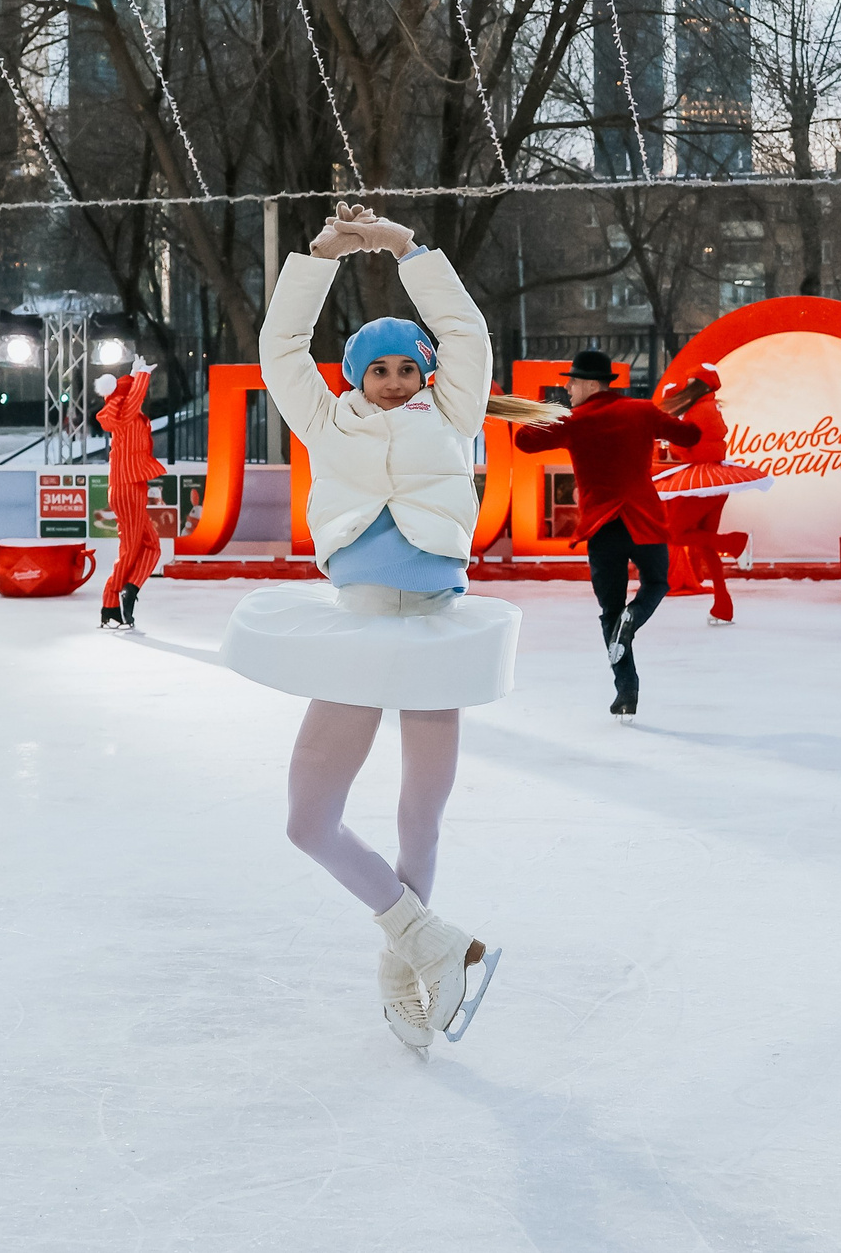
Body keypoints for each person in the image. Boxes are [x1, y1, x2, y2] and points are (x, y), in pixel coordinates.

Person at [219, 202, 554, 1048]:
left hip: (436, 631)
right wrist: (321, 256)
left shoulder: (454, 414)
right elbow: (279, 350)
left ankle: (409, 968)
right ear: (357, 377)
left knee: (420, 817)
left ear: (428, 374)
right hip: (361, 633)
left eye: (410, 368)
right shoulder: (327, 421)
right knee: (308, 821)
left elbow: (464, 328)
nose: (398, 381)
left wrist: (407, 247)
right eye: (382, 370)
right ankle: (430, 940)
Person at [511, 348, 701, 717]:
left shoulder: (574, 421)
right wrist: (694, 408)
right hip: (644, 520)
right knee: (657, 582)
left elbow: (524, 441)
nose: (567, 388)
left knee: (610, 611)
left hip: (602, 528)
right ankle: (633, 620)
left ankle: (626, 691)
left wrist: (547, 415)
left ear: (591, 384)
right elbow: (690, 436)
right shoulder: (642, 411)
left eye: (572, 381)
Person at [651, 363, 770, 627]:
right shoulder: (711, 408)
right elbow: (712, 442)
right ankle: (722, 605)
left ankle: (734, 543)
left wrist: (676, 447)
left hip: (700, 484)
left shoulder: (696, 410)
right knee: (705, 544)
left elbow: (691, 446)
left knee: (673, 534)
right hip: (717, 483)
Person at [93, 354, 163, 631]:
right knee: (131, 550)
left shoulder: (124, 417)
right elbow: (133, 401)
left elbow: (130, 399)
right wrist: (142, 375)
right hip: (128, 487)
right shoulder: (124, 416)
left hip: (128, 486)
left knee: (151, 547)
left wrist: (134, 376)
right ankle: (112, 601)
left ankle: (128, 591)